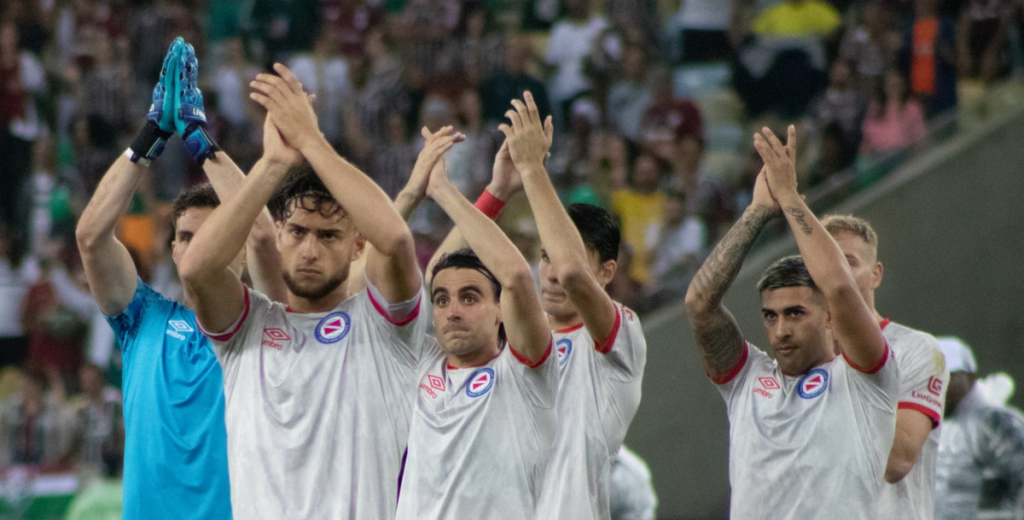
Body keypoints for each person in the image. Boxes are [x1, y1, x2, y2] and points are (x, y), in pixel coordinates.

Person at [180, 63, 456, 519]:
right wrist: (272, 165)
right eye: (298, 232)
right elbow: (197, 269)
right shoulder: (246, 330)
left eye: (328, 236)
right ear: (279, 234)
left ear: (356, 246)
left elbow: (397, 240)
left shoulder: (386, 328)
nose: (310, 249)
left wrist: (311, 140)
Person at [74, 38, 282, 520]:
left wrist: (197, 139)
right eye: (187, 237)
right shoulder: (141, 318)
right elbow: (91, 237)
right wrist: (151, 134)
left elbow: (263, 233)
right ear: (172, 249)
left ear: (240, 253)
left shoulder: (264, 327)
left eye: (215, 238)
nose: (199, 251)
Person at [684, 126, 898, 519]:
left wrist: (788, 197)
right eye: (771, 316)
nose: (781, 330)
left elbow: (837, 284)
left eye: (796, 313)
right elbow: (699, 303)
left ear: (830, 316)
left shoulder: (867, 379)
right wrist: (759, 211)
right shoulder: (746, 379)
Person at [394, 132, 556, 518]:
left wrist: (444, 192)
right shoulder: (421, 362)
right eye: (444, 301)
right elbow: (436, 274)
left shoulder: (525, 372)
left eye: (470, 298)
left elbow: (515, 276)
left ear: (500, 309)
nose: (453, 311)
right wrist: (496, 190)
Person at [823, 214, 949, 520]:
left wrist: (839, 359)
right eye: (824, 263)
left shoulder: (916, 349)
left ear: (875, 275)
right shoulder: (797, 363)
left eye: (848, 262)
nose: (835, 275)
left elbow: (896, 462)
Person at [935, 337, 1024, 520]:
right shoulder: (936, 423)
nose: (938, 385)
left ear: (968, 376)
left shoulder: (991, 422)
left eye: (947, 376)